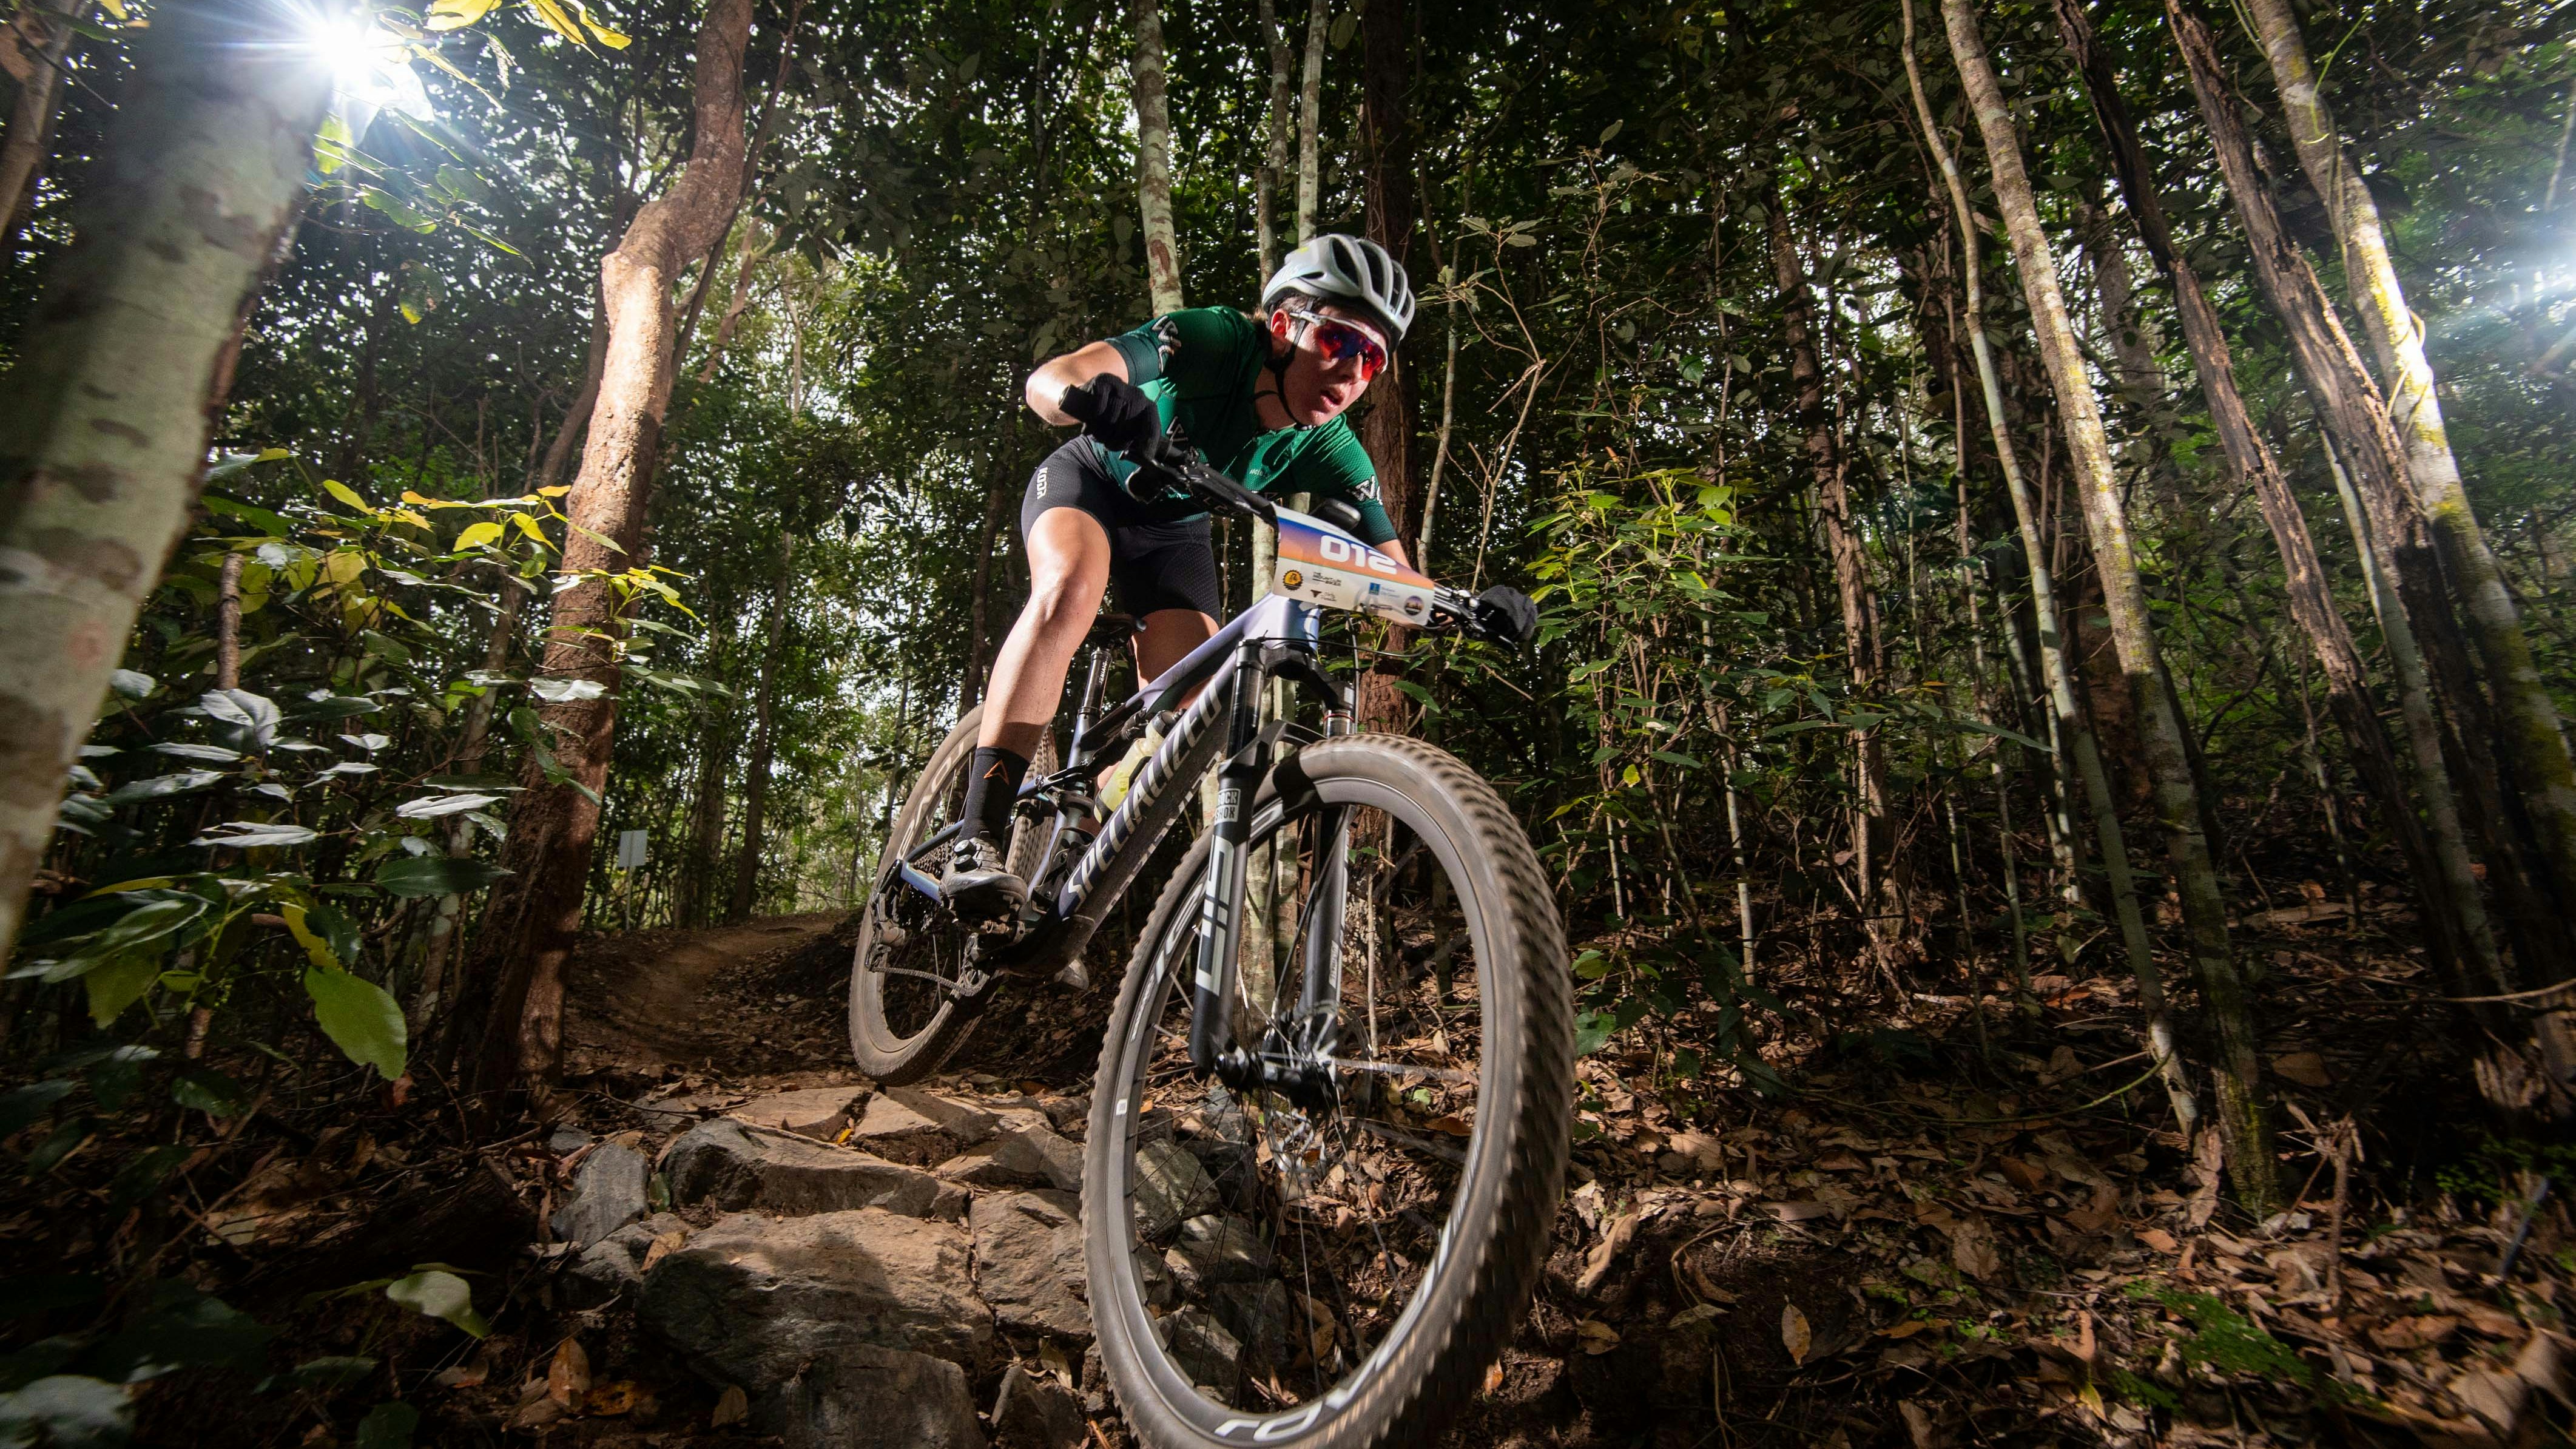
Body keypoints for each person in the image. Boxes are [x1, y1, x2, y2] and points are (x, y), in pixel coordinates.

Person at [940, 234, 1430, 919]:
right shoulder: (1213, 339)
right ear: (1283, 325)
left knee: (1196, 706)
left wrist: (1469, 607)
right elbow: (1049, 382)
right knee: (1070, 592)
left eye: (1371, 359)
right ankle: (978, 835)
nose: (1351, 371)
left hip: (1173, 531)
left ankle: (1078, 842)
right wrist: (1095, 398)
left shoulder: (1331, 446)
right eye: (1339, 341)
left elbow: (1397, 580)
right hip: (1093, 483)